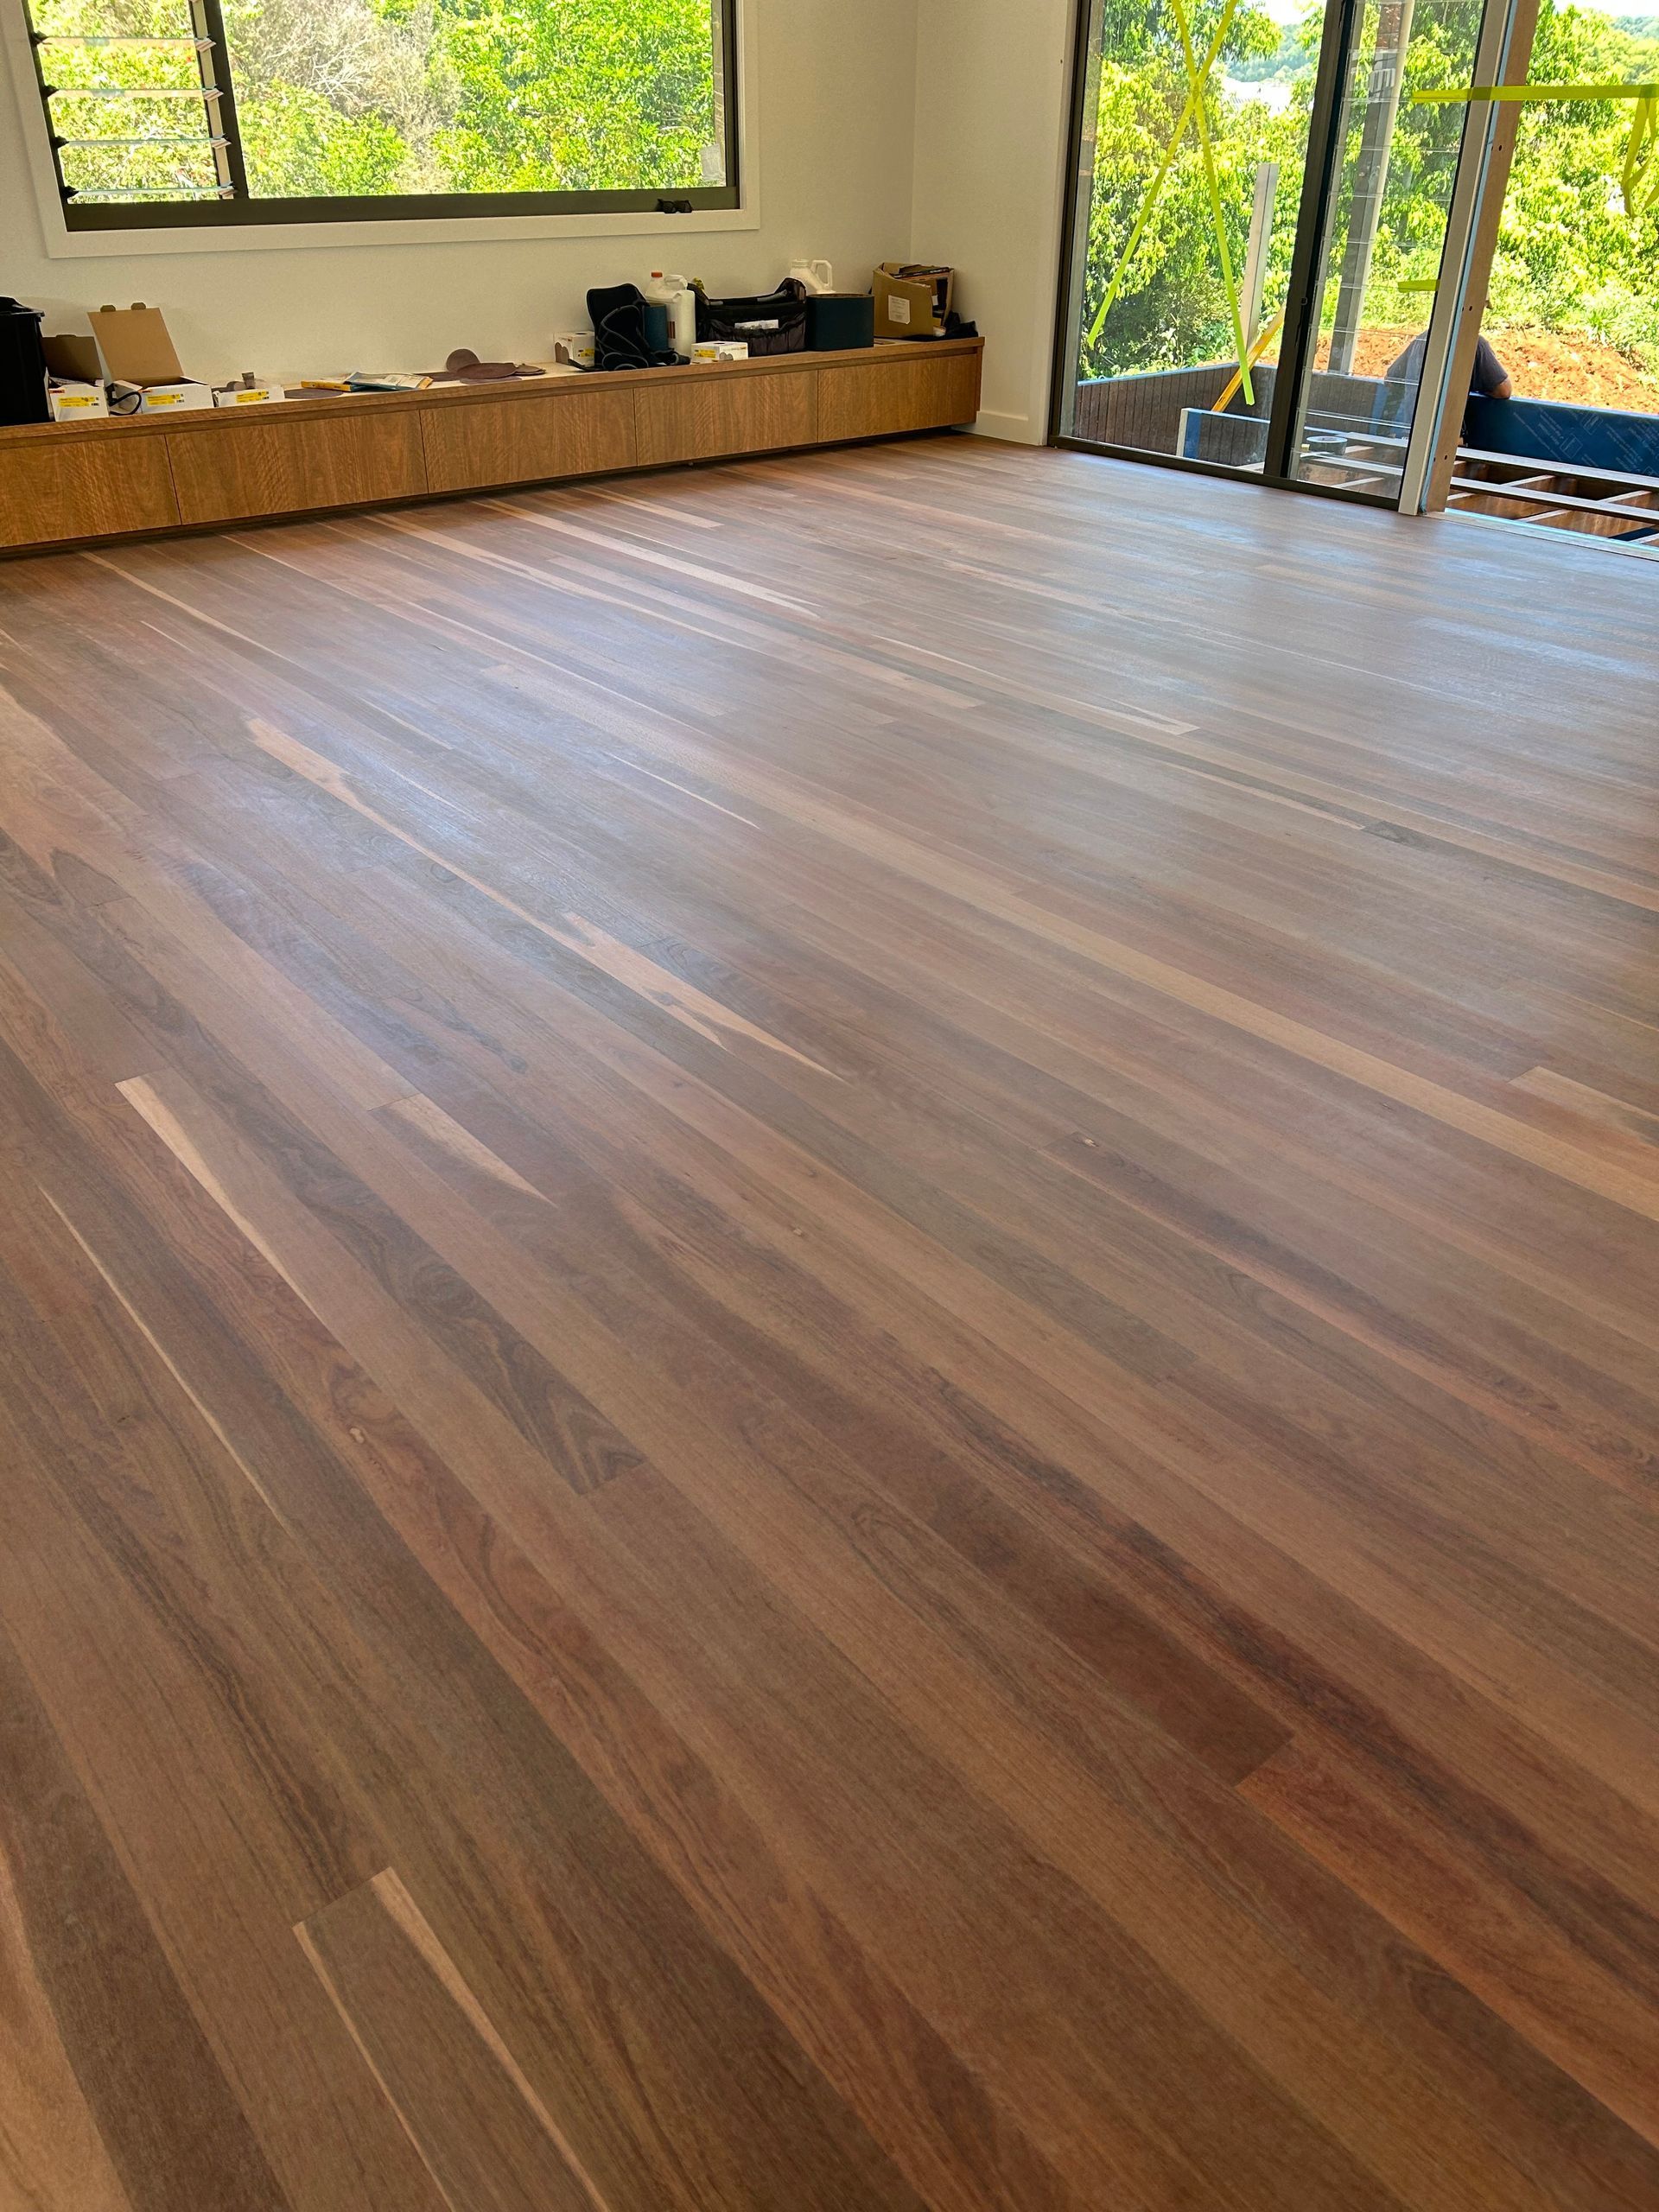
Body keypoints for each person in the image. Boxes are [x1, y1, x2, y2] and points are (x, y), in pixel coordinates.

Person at [1386, 329, 1513, 403]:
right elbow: (1504, 390)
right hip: (1447, 433)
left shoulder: (1423, 338)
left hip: (1413, 430)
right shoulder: (1474, 342)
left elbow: (1391, 380)